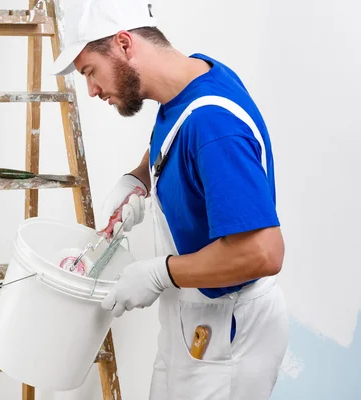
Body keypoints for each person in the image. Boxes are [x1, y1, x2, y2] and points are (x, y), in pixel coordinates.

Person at [50, 0, 289, 399]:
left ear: (124, 44)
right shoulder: (189, 80)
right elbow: (179, 135)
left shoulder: (214, 126)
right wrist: (138, 179)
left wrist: (160, 272)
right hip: (188, 322)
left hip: (228, 334)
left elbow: (264, 254)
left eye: (90, 71)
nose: (91, 90)